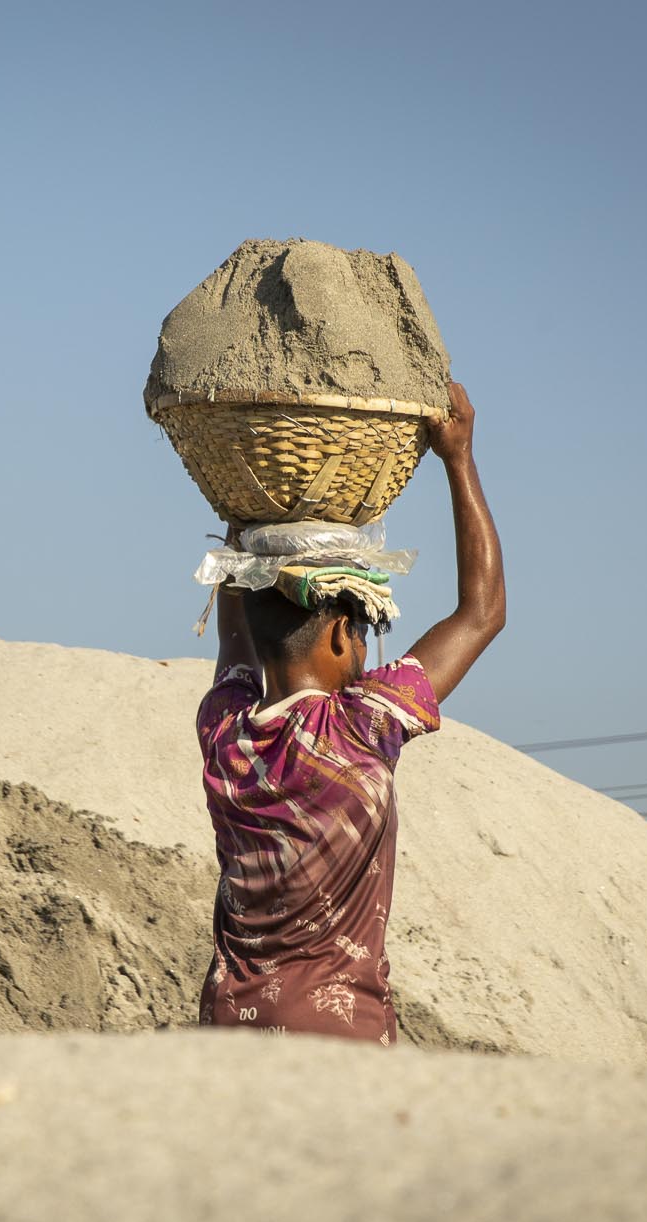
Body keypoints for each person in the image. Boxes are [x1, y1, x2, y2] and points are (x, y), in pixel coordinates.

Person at [197, 381, 503, 1044]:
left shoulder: (225, 727)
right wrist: (458, 458)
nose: (368, 656)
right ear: (339, 635)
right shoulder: (361, 725)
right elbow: (481, 614)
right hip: (337, 1032)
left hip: (225, 1026)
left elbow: (233, 636)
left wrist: (242, 510)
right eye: (364, 636)